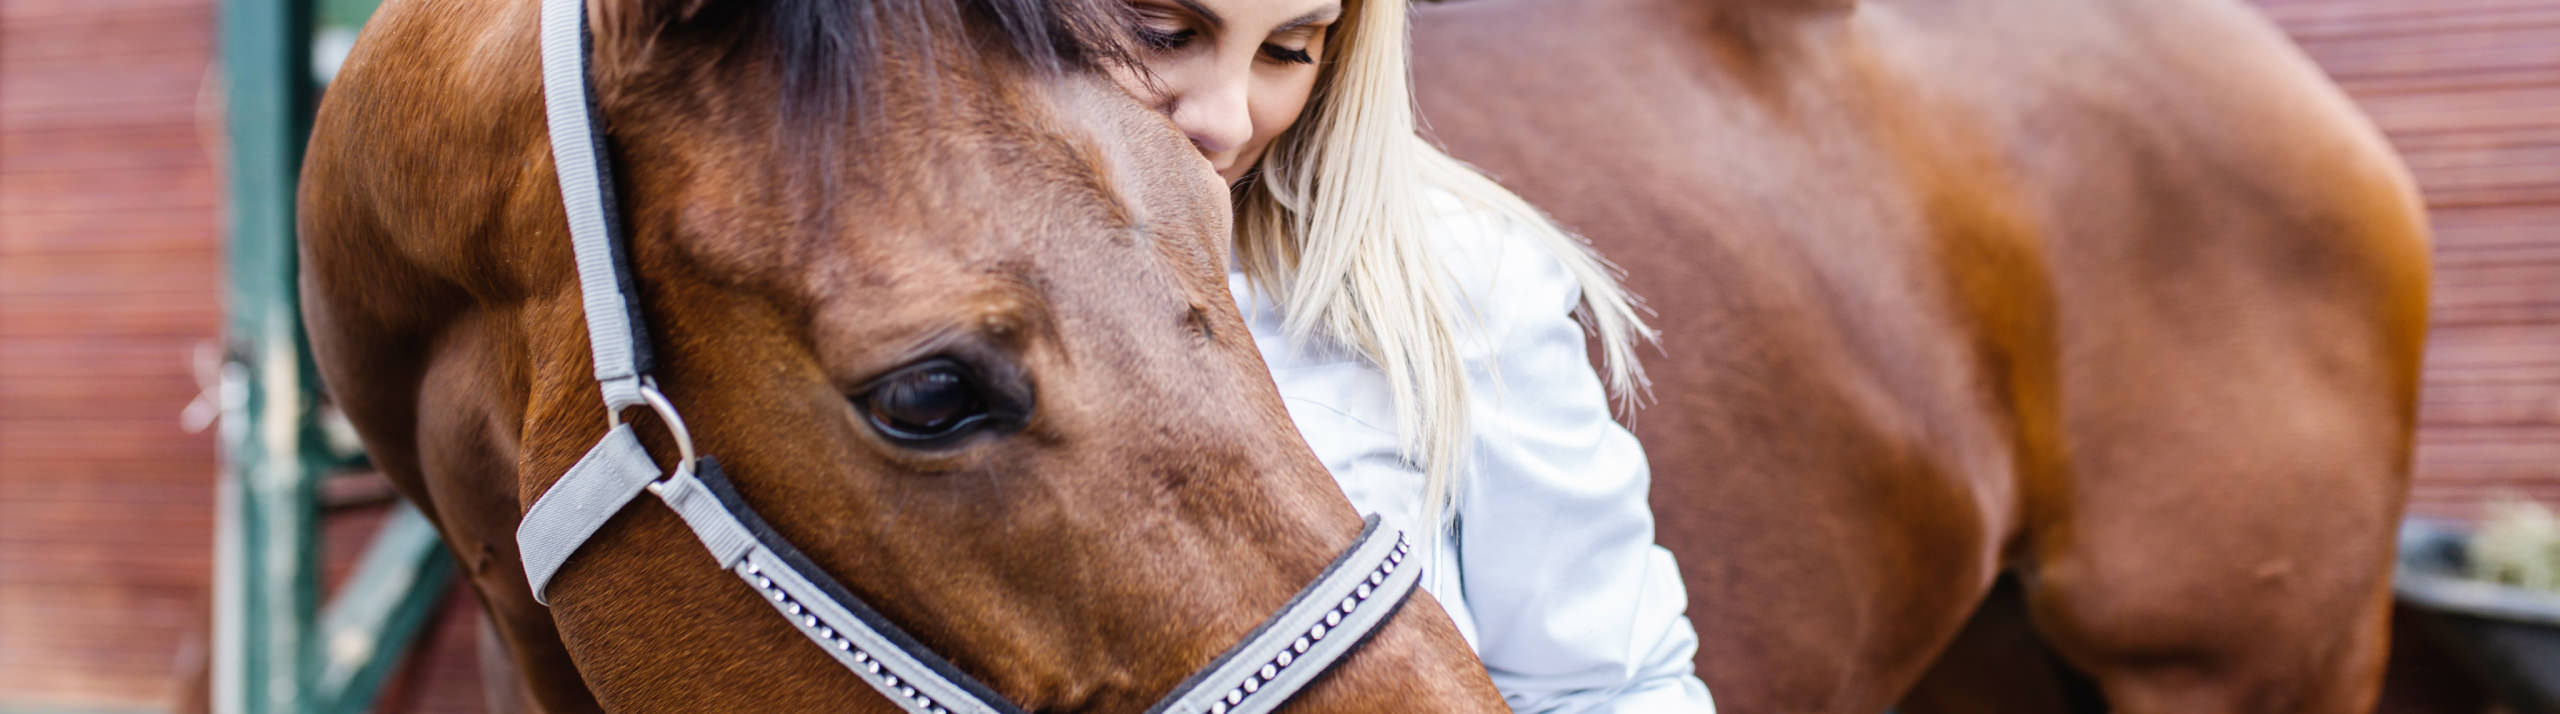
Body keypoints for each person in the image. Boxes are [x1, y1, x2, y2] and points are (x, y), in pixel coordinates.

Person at [1103, 0, 1716, 710]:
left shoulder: (1452, 277)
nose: (1229, 121)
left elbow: (1609, 686)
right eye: (1162, 33)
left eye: (1289, 50)